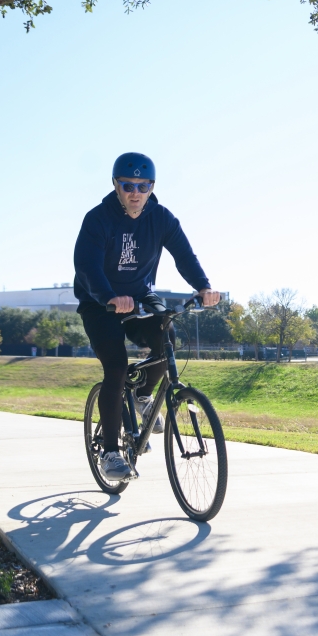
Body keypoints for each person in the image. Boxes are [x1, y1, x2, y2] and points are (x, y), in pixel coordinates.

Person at [74, 152, 220, 480]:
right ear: (116, 186)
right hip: (100, 304)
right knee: (116, 367)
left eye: (143, 185)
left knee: (166, 339)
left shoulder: (161, 218)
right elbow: (87, 266)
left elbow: (184, 255)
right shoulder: (98, 219)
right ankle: (110, 453)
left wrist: (203, 287)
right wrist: (109, 296)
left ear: (152, 187)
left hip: (140, 297)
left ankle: (142, 395)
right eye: (128, 185)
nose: (135, 192)